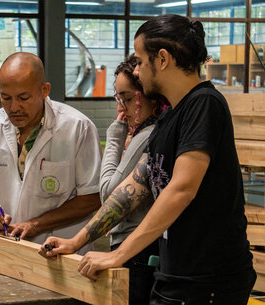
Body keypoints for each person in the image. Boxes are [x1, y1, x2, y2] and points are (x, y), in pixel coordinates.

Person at [40, 14, 255, 305]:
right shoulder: (169, 117)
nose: (137, 71)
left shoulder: (204, 104)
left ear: (163, 59)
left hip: (208, 281)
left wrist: (117, 254)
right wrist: (76, 241)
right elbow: (134, 186)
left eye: (140, 61)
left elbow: (181, 190)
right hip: (175, 273)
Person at [0, 52, 102, 249]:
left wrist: (36, 225)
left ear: (44, 90)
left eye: (23, 97)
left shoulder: (77, 128)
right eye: (6, 98)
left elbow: (92, 198)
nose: (14, 107)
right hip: (9, 249)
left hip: (62, 252)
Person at [100, 55, 167, 305]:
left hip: (137, 253)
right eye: (118, 99)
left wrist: (114, 134)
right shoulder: (148, 132)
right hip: (141, 250)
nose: (121, 108)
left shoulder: (148, 135)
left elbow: (108, 194)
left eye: (128, 99)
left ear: (149, 93)